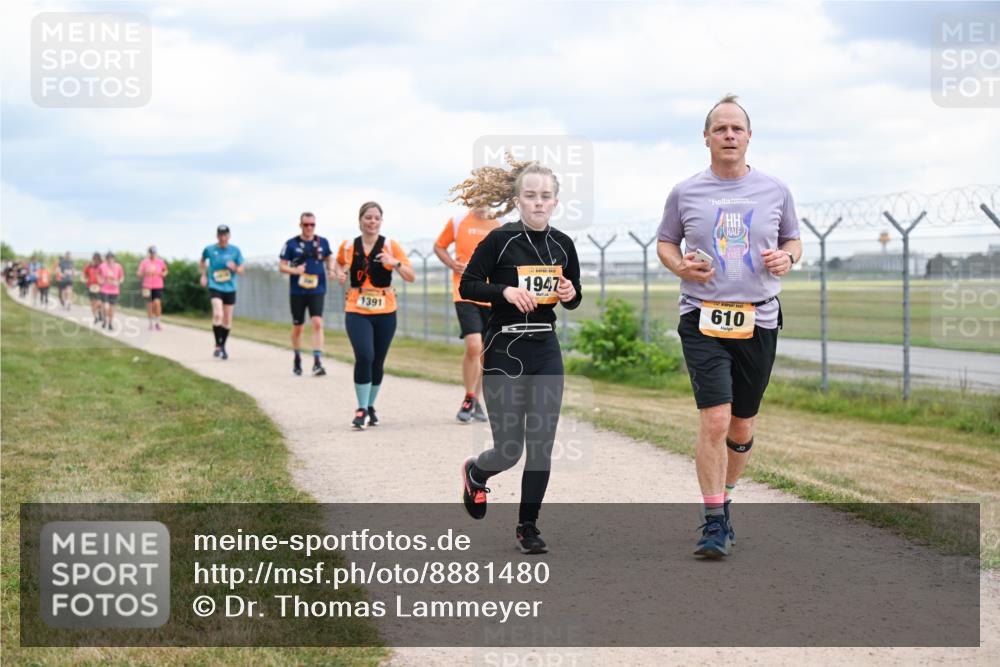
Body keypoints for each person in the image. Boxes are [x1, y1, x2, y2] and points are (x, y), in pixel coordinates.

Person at [656, 94, 802, 558]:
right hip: (702, 316)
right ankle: (714, 521)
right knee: (715, 420)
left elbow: (793, 241)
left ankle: (728, 499)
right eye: (720, 129)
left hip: (758, 317)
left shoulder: (775, 190)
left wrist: (788, 257)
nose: (729, 136)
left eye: (736, 128)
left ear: (749, 136)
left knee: (741, 425)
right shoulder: (685, 192)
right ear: (706, 138)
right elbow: (665, 242)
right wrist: (679, 267)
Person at [454, 154, 582, 555]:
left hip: (545, 348)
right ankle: (476, 471)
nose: (539, 202)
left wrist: (571, 293)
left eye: (546, 196)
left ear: (556, 201)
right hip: (505, 347)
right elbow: (470, 285)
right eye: (531, 196)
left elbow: (573, 295)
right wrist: (505, 292)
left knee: (541, 444)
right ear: (518, 200)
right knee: (509, 450)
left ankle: (528, 526)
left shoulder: (563, 244)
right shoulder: (499, 240)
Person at [334, 202, 415, 429]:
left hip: (385, 310)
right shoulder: (349, 246)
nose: (372, 222)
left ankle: (370, 406)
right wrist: (339, 273)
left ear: (381, 221)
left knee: (378, 360)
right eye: (368, 217)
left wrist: (395, 263)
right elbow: (338, 264)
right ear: (360, 220)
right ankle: (361, 409)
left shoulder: (390, 245)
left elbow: (411, 276)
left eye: (376, 218)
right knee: (365, 355)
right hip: (357, 309)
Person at [434, 207, 500, 422]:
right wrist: (452, 264)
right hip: (464, 291)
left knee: (486, 352)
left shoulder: (498, 224)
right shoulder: (459, 220)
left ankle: (476, 401)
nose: (483, 200)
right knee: (474, 345)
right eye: (478, 194)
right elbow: (439, 246)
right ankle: (469, 397)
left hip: (490, 295)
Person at [279, 212, 334, 376]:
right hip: (297, 292)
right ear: (300, 225)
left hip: (317, 290)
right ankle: (297, 357)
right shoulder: (291, 244)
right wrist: (294, 270)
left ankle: (317, 362)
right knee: (298, 327)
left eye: (312, 224)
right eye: (306, 224)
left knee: (317, 322)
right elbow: (282, 266)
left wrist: (331, 270)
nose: (309, 227)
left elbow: (329, 257)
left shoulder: (322, 242)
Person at [200, 225, 245, 360]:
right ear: (217, 236)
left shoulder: (235, 251)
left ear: (229, 236)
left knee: (227, 319)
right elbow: (202, 261)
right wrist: (203, 275)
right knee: (218, 314)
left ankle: (222, 346)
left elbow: (242, 269)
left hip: (230, 288)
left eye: (225, 235)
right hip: (215, 286)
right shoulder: (210, 249)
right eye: (220, 235)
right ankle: (218, 346)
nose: (223, 237)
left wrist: (235, 268)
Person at [137, 246, 168, 330]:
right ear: (148, 253)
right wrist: (145, 272)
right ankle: (151, 322)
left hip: (158, 285)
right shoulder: (144, 262)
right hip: (146, 286)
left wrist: (163, 274)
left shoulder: (160, 261)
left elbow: (165, 270)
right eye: (151, 253)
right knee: (150, 305)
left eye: (154, 253)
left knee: (157, 303)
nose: (152, 254)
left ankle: (157, 322)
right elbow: (139, 273)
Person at [98, 251, 124, 330]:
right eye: (108, 258)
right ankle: (104, 320)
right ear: (106, 259)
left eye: (111, 258)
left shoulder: (118, 266)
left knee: (112, 308)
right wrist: (100, 281)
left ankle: (110, 323)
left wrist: (119, 282)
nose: (110, 260)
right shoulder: (102, 266)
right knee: (106, 306)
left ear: (114, 258)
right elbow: (98, 275)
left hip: (114, 290)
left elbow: (122, 277)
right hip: (104, 290)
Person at [82, 253, 104, 324]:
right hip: (90, 287)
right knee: (92, 303)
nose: (96, 260)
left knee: (99, 303)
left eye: (97, 259)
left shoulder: (102, 266)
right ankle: (95, 317)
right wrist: (85, 279)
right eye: (94, 259)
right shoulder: (89, 266)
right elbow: (84, 275)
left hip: (100, 287)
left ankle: (100, 312)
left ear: (99, 259)